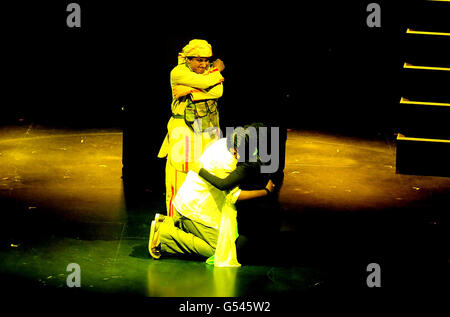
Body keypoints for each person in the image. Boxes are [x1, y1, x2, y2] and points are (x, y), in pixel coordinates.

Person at [149, 128, 275, 266]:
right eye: (238, 152)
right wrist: (265, 191)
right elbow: (233, 196)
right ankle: (163, 235)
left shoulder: (224, 142)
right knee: (221, 249)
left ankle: (168, 222)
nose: (239, 157)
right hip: (192, 210)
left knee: (229, 238)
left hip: (194, 204)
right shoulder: (226, 163)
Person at [158, 39, 226, 217]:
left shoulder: (208, 70)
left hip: (207, 132)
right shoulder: (178, 72)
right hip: (184, 133)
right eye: (199, 60)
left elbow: (218, 91)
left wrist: (189, 90)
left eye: (206, 60)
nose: (204, 64)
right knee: (179, 180)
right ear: (188, 59)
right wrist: (216, 72)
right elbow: (207, 84)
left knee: (204, 180)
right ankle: (174, 224)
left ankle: (197, 223)